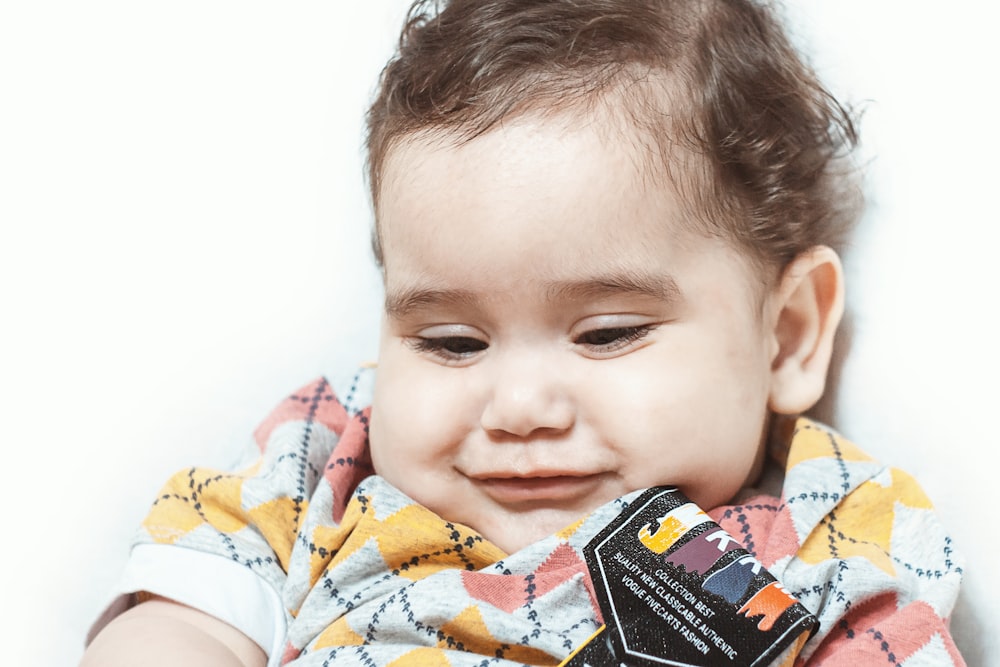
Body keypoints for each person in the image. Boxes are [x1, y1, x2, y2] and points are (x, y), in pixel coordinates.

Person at [80, 0, 966, 665]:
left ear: (788, 337)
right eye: (452, 342)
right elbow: (184, 614)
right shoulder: (327, 455)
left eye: (607, 333)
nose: (518, 408)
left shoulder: (834, 529)